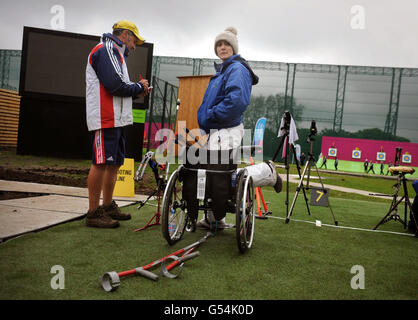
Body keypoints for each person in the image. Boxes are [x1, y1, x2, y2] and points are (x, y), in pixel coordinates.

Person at [85, 20, 151, 228]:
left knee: (114, 163)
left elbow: (120, 87)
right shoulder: (106, 50)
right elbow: (115, 85)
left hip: (116, 118)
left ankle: (107, 206)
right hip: (106, 118)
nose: (135, 45)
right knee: (101, 162)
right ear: (125, 35)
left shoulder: (116, 53)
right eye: (135, 40)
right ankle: (93, 212)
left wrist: (137, 89)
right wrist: (138, 86)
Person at [193, 27, 260, 230]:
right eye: (219, 45)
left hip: (226, 129)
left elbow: (236, 101)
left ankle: (267, 172)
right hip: (216, 130)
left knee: (219, 174)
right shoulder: (223, 70)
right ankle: (215, 218)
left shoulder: (236, 69)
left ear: (234, 47)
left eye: (226, 44)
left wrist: (211, 116)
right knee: (214, 174)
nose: (222, 48)